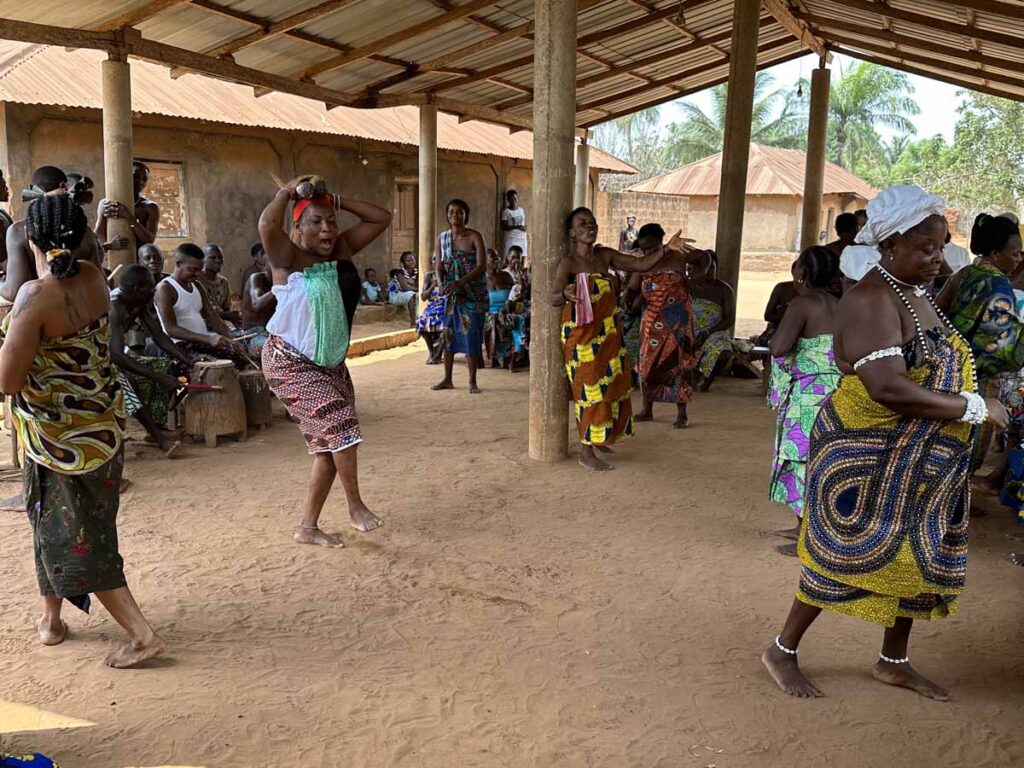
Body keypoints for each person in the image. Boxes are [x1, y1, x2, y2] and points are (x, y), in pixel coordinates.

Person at [762, 185, 1008, 701]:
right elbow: (888, 387)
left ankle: (893, 660)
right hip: (868, 454)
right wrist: (975, 408)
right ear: (891, 244)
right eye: (926, 248)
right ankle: (782, 649)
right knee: (845, 554)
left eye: (941, 246)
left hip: (915, 458)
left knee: (912, 556)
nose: (937, 257)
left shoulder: (912, 292)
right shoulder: (873, 297)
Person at [0, 193, 164, 668]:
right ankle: (51, 619)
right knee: (52, 522)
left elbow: (9, 381)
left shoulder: (36, 296)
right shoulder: (94, 278)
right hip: (100, 430)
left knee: (80, 538)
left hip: (61, 442)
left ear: (29, 240)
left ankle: (142, 635)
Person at [258, 175, 390, 546]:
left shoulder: (343, 249)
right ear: (297, 228)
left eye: (330, 221)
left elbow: (382, 217)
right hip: (290, 362)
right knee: (343, 433)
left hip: (330, 364)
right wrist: (285, 194)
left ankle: (307, 528)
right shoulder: (288, 258)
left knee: (329, 448)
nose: (326, 228)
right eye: (315, 222)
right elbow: (268, 224)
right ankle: (356, 507)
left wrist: (337, 199)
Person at [553, 207, 690, 471]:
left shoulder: (604, 255)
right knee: (588, 389)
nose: (590, 226)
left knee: (612, 384)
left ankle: (601, 435)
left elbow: (640, 264)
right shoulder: (568, 263)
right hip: (581, 337)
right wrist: (567, 292)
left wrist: (667, 249)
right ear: (572, 232)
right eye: (583, 224)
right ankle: (586, 451)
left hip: (608, 333)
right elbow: (552, 297)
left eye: (592, 222)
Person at [766, 247, 841, 555]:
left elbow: (779, 348)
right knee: (820, 462)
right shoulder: (839, 304)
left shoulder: (802, 304)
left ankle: (806, 540)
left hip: (809, 395)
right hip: (835, 391)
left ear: (801, 275)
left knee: (802, 462)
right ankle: (801, 528)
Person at [937, 213, 1024, 477]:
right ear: (996, 253)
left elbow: (938, 311)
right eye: (1016, 254)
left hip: (947, 369)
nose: (1019, 259)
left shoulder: (966, 273)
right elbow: (1001, 343)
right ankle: (955, 507)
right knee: (969, 448)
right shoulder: (998, 283)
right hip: (978, 378)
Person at [110, 266, 192, 456]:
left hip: (116, 357)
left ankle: (156, 425)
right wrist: (157, 378)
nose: (154, 290)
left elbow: (159, 336)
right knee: (127, 383)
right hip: (99, 360)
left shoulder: (137, 303)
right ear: (138, 288)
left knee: (165, 366)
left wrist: (186, 360)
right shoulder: (114, 308)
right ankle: (159, 439)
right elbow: (115, 355)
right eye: (150, 287)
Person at [631, 223, 704, 428]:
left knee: (679, 364)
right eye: (643, 248)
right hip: (651, 321)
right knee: (647, 365)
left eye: (651, 247)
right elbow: (632, 287)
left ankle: (682, 413)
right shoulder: (644, 262)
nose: (647, 252)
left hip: (677, 321)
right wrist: (628, 296)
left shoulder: (679, 256)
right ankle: (647, 409)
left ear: (661, 241)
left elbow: (706, 258)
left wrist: (695, 279)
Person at [2, 166, 103, 309]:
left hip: (38, 315)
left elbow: (13, 291)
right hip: (82, 316)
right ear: (64, 188)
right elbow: (98, 282)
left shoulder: (18, 232)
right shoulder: (85, 231)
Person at [432, 199, 488, 393]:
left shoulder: (474, 237)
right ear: (447, 216)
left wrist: (461, 282)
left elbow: (481, 266)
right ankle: (447, 378)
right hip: (451, 295)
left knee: (471, 335)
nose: (456, 215)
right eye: (452, 212)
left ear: (466, 215)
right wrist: (440, 283)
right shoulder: (443, 239)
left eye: (460, 212)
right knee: (447, 334)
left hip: (473, 295)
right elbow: (438, 265)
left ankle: (472, 381)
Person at [154, 243, 240, 358]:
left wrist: (232, 337)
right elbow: (171, 329)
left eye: (200, 270)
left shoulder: (197, 285)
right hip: (178, 347)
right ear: (178, 264)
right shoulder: (165, 288)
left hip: (202, 343)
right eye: (192, 269)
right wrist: (208, 338)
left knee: (238, 357)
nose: (197, 274)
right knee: (208, 368)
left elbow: (213, 317)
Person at [690, 250, 737, 391]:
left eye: (713, 267)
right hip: (690, 330)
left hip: (715, 331)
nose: (710, 271)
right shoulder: (688, 287)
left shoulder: (724, 289)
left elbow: (729, 319)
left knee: (722, 350)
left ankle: (707, 381)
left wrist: (707, 332)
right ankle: (693, 377)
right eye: (706, 268)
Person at [95, 160, 160, 252]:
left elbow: (149, 240)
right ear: (126, 176)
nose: (140, 181)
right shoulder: (106, 203)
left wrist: (129, 216)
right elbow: (98, 232)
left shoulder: (150, 207)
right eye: (135, 176)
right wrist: (109, 247)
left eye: (144, 179)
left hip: (138, 259)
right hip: (113, 255)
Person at [240, 249, 277, 360]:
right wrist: (280, 287)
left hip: (273, 333)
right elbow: (257, 304)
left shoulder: (284, 284)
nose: (280, 269)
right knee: (274, 350)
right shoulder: (256, 279)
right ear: (264, 267)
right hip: (253, 335)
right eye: (276, 266)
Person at [483, 249, 515, 368]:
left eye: (498, 256)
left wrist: (508, 306)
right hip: (488, 312)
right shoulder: (482, 279)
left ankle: (508, 356)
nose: (497, 259)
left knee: (504, 319)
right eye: (493, 257)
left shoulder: (506, 276)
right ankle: (494, 356)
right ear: (485, 260)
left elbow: (516, 294)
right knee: (491, 321)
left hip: (507, 310)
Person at [195, 244, 240, 325]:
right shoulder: (196, 280)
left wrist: (233, 317)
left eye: (220, 258)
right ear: (203, 260)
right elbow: (196, 311)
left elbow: (226, 309)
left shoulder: (223, 282)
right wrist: (224, 315)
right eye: (213, 258)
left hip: (218, 327)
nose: (218, 261)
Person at [416, 270, 445, 364]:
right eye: (433, 259)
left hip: (445, 307)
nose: (435, 262)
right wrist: (433, 286)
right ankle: (432, 353)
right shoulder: (429, 276)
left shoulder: (447, 274)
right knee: (422, 322)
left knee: (445, 325)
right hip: (431, 308)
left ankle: (438, 355)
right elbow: (423, 297)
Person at [388, 251, 418, 326]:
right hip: (395, 295)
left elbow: (414, 285)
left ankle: (419, 320)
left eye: (412, 259)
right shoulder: (400, 272)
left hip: (406, 293)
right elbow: (405, 288)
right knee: (411, 294)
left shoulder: (416, 271)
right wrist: (416, 288)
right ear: (403, 263)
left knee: (418, 295)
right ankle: (413, 323)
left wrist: (415, 288)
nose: (411, 262)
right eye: (408, 261)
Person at [500, 189, 528, 263]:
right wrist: (517, 226)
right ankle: (508, 273)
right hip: (511, 238)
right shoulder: (506, 211)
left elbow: (523, 222)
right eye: (511, 199)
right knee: (510, 258)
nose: (514, 200)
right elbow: (503, 227)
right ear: (508, 200)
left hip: (522, 237)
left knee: (522, 257)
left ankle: (520, 274)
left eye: (515, 198)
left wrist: (524, 227)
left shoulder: (521, 210)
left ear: (517, 199)